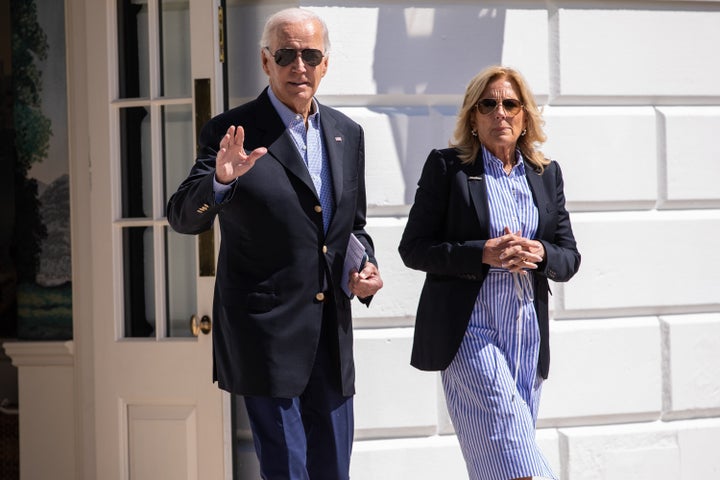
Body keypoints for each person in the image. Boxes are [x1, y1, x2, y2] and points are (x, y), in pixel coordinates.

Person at [167, 8, 383, 480]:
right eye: (285, 55)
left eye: (310, 55)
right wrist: (220, 183)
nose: (298, 66)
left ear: (325, 63)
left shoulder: (349, 133)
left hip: (330, 334)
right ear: (266, 62)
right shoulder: (233, 131)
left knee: (333, 471)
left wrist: (363, 266)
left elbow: (352, 226)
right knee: (287, 470)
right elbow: (183, 217)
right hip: (265, 334)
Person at [398, 65, 580, 480]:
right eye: (489, 104)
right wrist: (483, 253)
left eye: (510, 104)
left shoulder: (545, 174)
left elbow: (568, 256)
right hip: (468, 332)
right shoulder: (448, 168)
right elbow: (414, 249)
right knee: (519, 461)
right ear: (473, 118)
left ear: (524, 116)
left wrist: (539, 253)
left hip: (525, 336)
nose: (501, 113)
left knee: (497, 464)